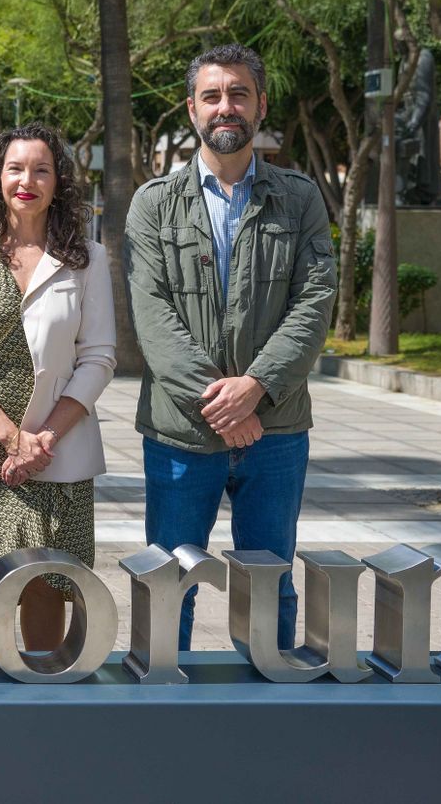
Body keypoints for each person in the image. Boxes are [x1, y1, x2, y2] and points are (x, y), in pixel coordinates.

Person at [125, 43, 336, 651]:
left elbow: (315, 302)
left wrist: (256, 389)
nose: (227, 107)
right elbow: (153, 316)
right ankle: (163, 713)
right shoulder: (153, 205)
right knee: (169, 583)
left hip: (276, 434)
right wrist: (221, 405)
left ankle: (266, 720)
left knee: (270, 584)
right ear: (191, 108)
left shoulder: (299, 199)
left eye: (239, 94)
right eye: (212, 96)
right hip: (180, 436)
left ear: (260, 104)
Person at [0, 124, 116, 650]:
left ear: (59, 183)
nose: (26, 180)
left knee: (44, 581)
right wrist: (12, 438)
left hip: (59, 447)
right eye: (15, 168)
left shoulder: (89, 260)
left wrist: (42, 441)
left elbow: (98, 358)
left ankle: (40, 698)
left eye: (41, 169)